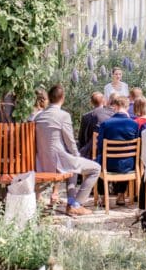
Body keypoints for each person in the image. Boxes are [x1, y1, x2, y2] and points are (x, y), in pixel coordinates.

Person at [34, 85, 101, 217]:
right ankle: (75, 204)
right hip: (57, 163)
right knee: (95, 168)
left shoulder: (38, 117)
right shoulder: (63, 116)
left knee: (72, 165)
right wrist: (77, 155)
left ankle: (71, 203)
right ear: (62, 98)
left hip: (40, 162)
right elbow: (70, 141)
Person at [95, 95, 141, 207]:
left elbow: (100, 146)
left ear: (115, 106)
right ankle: (121, 194)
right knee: (125, 158)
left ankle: (102, 195)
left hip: (108, 164)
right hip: (129, 165)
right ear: (126, 107)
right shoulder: (134, 124)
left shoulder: (106, 124)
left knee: (98, 161)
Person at [78, 92, 112, 159]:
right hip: (108, 150)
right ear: (103, 101)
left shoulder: (86, 116)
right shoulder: (111, 114)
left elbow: (81, 138)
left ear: (91, 102)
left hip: (91, 152)